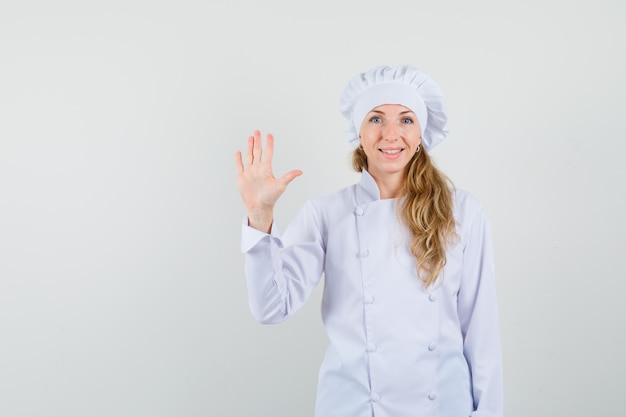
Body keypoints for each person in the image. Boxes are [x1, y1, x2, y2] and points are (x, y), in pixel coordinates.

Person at [235, 65, 503, 417]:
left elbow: (481, 335)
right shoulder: (326, 213)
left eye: (406, 120)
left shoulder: (462, 211)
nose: (391, 134)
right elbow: (270, 308)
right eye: (376, 119)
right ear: (358, 133)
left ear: (422, 133)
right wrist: (260, 215)